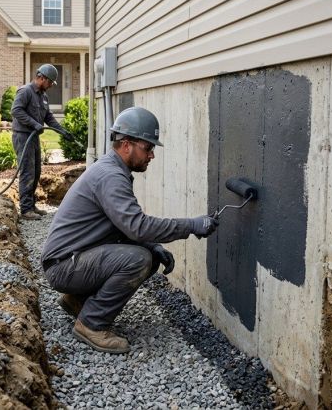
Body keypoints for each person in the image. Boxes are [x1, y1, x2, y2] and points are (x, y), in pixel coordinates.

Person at [40, 107, 219, 354]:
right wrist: (192, 225)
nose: (152, 155)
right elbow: (138, 226)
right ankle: (91, 324)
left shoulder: (113, 170)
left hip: (70, 258)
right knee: (138, 260)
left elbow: (121, 227)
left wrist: (154, 246)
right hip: (64, 266)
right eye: (148, 148)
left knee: (148, 253)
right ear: (126, 144)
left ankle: (78, 301)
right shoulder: (111, 176)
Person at [11, 64, 75, 220]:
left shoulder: (43, 96)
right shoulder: (25, 91)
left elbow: (49, 118)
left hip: (33, 137)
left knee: (36, 171)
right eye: (51, 82)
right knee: (27, 172)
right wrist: (34, 124)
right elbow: (16, 110)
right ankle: (26, 210)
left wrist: (63, 131)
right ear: (42, 78)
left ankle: (31, 205)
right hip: (23, 137)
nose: (52, 86)